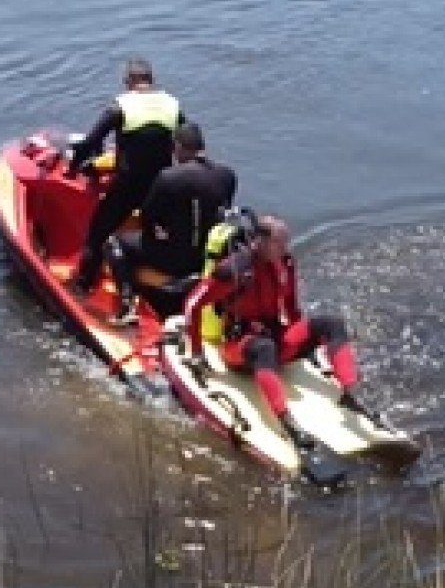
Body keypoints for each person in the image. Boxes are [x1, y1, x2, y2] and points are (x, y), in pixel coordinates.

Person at [184, 214, 373, 453]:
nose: (286, 248)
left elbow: (292, 309)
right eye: (280, 243)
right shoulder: (233, 270)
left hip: (276, 336)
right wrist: (197, 352)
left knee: (332, 323)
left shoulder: (285, 262)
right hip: (240, 346)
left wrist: (305, 344)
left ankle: (349, 392)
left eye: (286, 242)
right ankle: (286, 421)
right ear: (260, 242)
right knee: (265, 348)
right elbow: (192, 305)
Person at [67, 58, 182, 293]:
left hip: (129, 185)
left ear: (128, 81)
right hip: (161, 186)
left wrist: (74, 167)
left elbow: (91, 142)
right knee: (157, 234)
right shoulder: (172, 105)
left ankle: (83, 286)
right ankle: (152, 283)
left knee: (97, 234)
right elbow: (186, 141)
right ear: (151, 81)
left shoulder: (121, 106)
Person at [105, 121, 235, 325]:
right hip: (206, 258)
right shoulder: (227, 175)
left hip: (173, 258)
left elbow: (148, 216)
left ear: (180, 147)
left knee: (114, 242)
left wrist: (158, 231)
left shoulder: (169, 178)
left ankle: (127, 304)